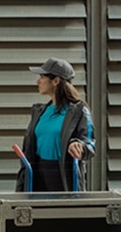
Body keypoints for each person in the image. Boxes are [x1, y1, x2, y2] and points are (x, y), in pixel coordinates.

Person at [16, 57, 95, 192]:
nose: (38, 81)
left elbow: (90, 144)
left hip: (63, 177)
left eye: (42, 77)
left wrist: (79, 145)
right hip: (37, 174)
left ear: (56, 81)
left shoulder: (78, 112)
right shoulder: (40, 112)